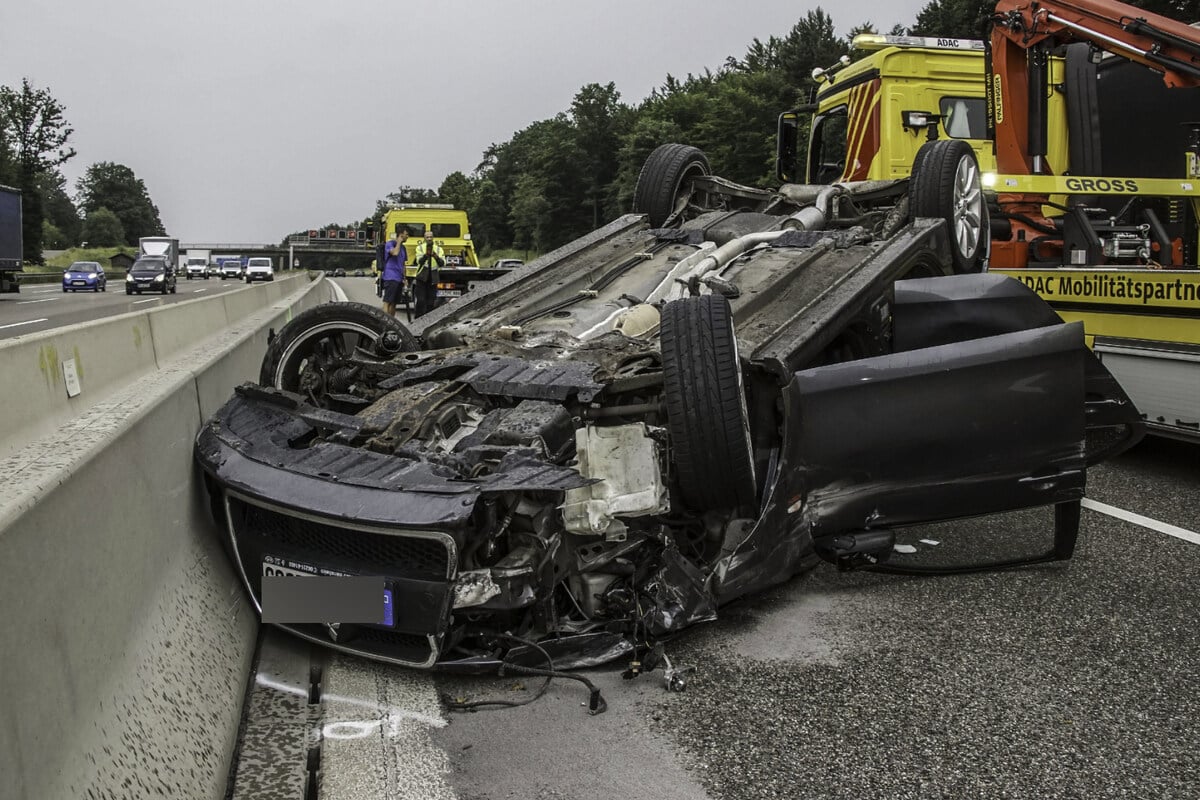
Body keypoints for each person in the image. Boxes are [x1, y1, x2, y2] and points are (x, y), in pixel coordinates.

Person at [412, 231, 446, 316]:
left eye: (431, 237)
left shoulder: (438, 249)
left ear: (433, 237)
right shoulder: (420, 248)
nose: (429, 239)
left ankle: (428, 321)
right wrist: (426, 255)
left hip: (433, 278)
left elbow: (442, 263)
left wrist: (435, 255)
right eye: (427, 237)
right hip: (422, 277)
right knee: (421, 301)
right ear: (424, 238)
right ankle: (418, 319)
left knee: (431, 302)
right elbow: (419, 261)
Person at [380, 227, 409, 317]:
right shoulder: (390, 244)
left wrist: (405, 278)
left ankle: (392, 322)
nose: (408, 237)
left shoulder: (403, 248)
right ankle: (384, 322)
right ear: (401, 235)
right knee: (387, 301)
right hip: (390, 277)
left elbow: (403, 264)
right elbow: (395, 253)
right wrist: (399, 242)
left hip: (399, 278)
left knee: (394, 303)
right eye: (406, 235)